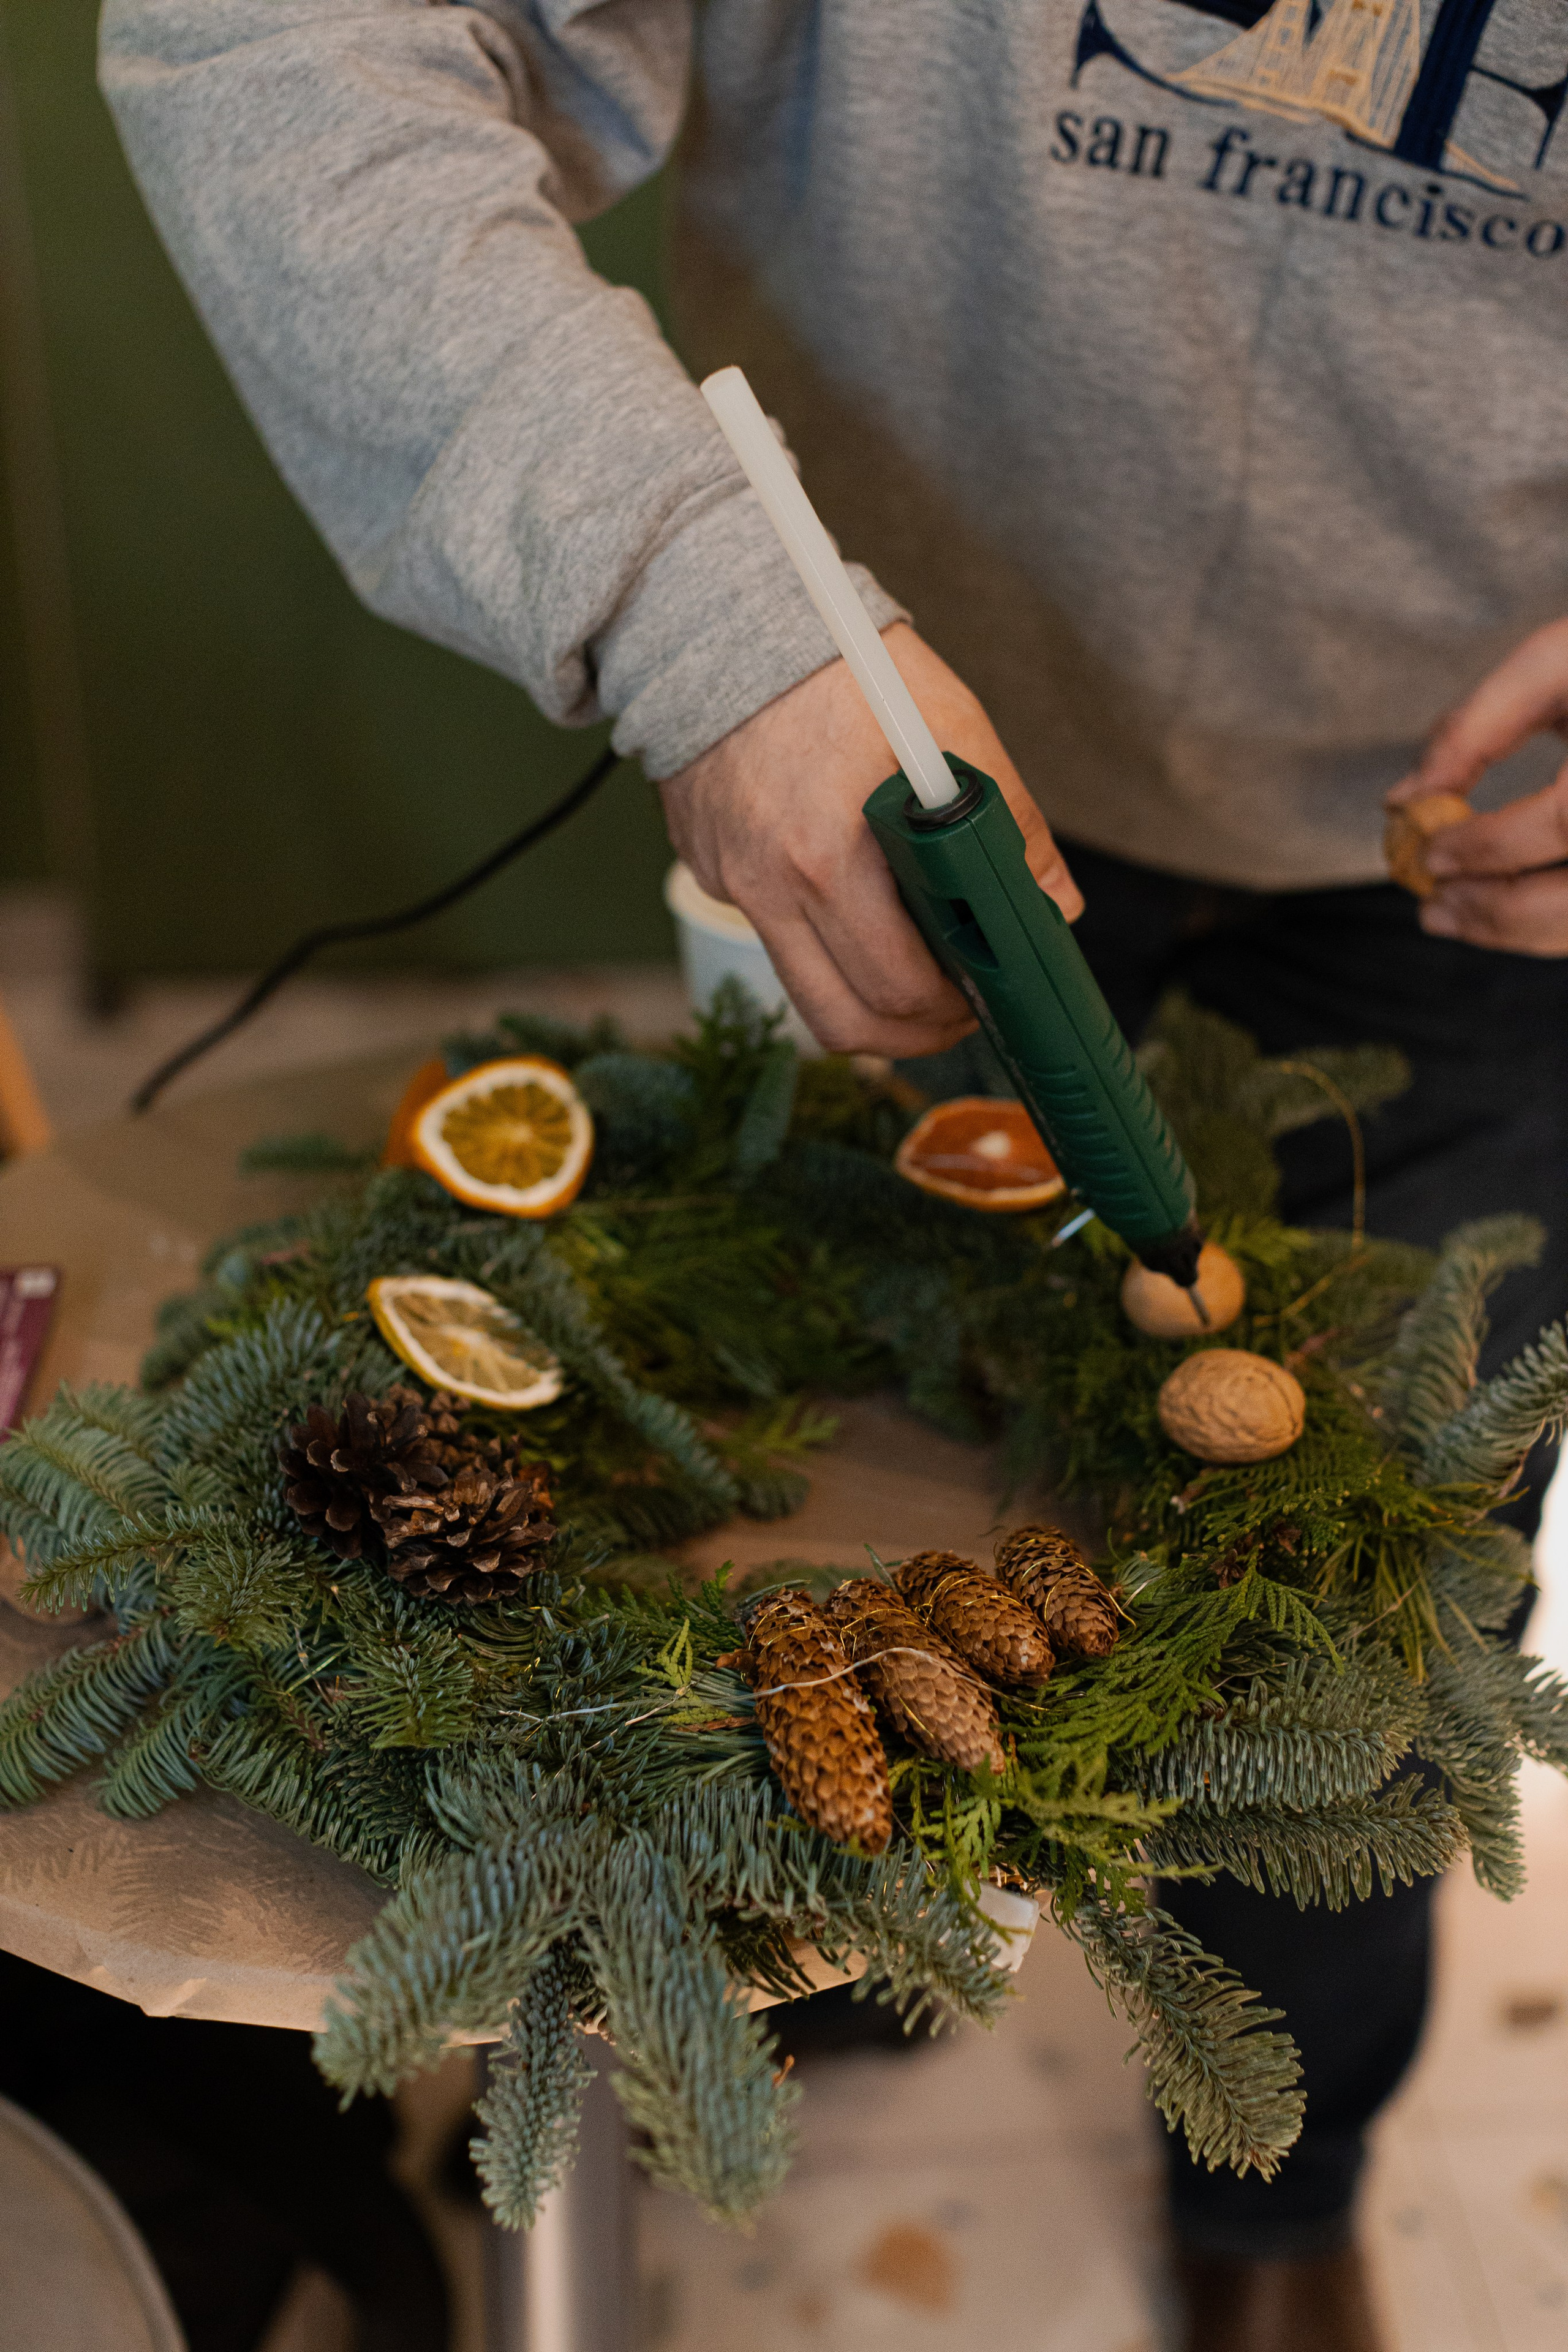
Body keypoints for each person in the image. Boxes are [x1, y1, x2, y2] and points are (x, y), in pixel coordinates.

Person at [97, 5, 1568, 2346]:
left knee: (1378, 1609)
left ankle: (1284, 2195)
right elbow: (278, 42)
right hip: (883, 798)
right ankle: (835, 1950)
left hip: (1473, 870)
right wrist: (697, 594)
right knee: (873, 1477)